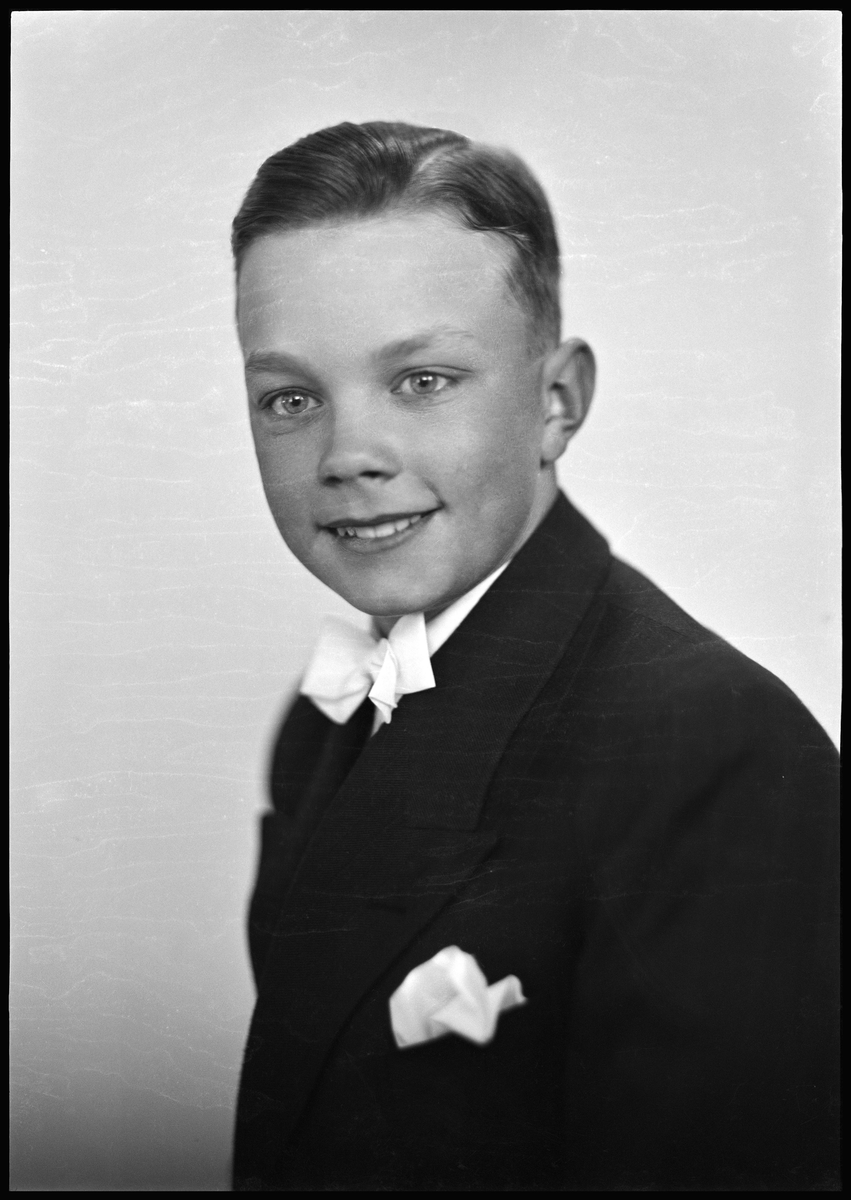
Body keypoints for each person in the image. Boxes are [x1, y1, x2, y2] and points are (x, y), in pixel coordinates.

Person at [229, 121, 839, 1191]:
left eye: (421, 380)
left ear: (556, 403)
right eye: (291, 398)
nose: (347, 455)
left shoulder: (712, 752)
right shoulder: (324, 720)